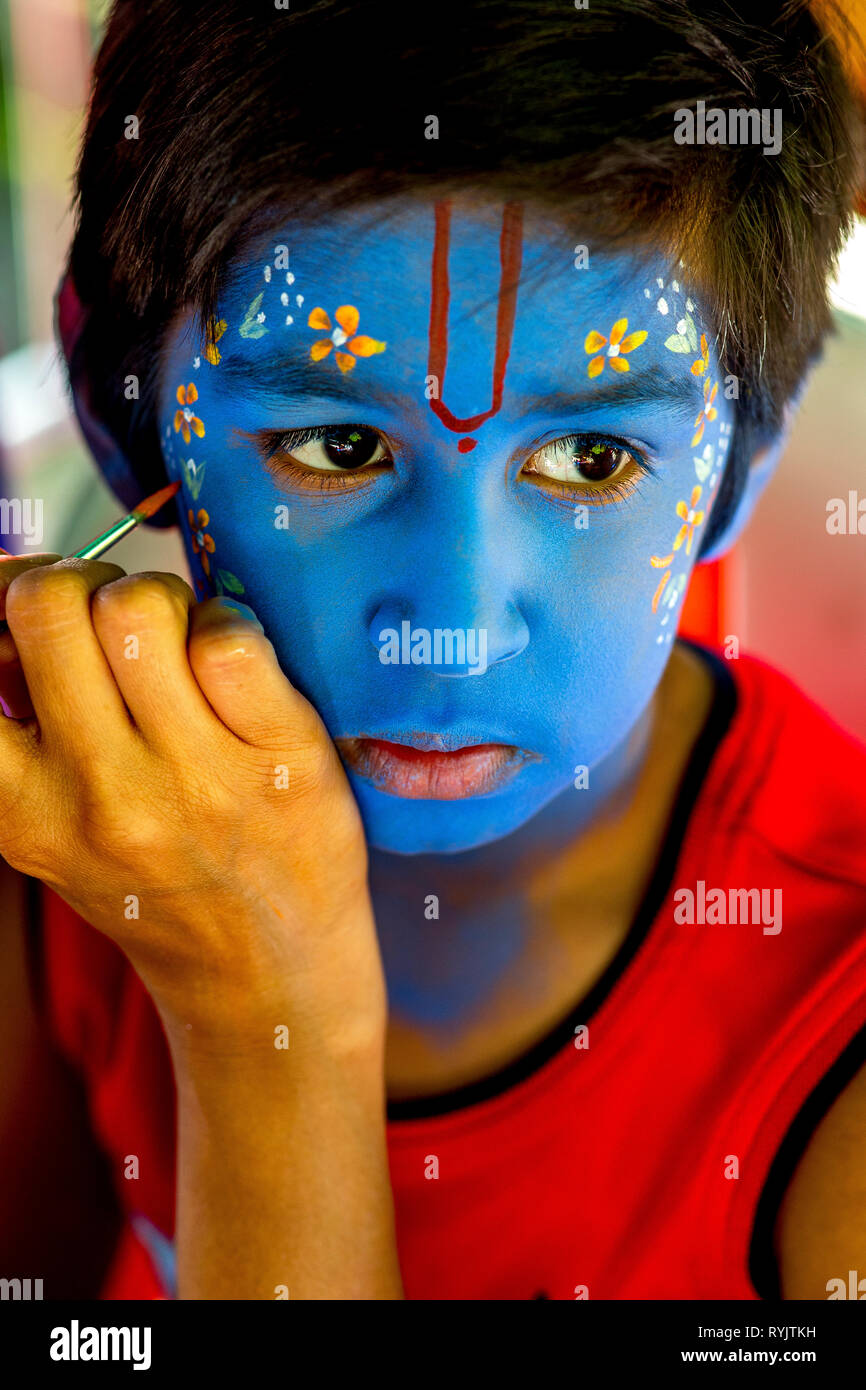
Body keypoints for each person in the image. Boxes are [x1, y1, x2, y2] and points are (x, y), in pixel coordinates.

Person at [0, 0, 864, 1301]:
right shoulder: (62, 835)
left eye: (588, 458)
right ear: (124, 426)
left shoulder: (834, 1035)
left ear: (734, 470)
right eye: (336, 448)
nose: (451, 619)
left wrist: (261, 1020)